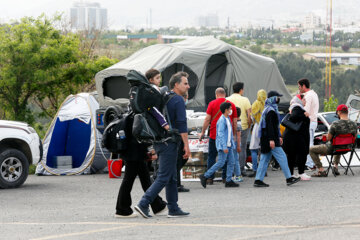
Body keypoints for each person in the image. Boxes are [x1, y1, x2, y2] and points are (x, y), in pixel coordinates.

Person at [135, 72, 190, 218]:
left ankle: (173, 207)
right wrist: (187, 145)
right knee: (164, 176)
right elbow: (182, 125)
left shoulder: (165, 97)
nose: (188, 86)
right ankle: (143, 203)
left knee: (171, 176)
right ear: (176, 84)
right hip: (169, 142)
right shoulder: (178, 100)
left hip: (160, 141)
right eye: (185, 83)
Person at [115, 116, 167, 218]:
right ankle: (122, 209)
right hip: (134, 153)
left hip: (132, 151)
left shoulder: (132, 114)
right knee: (129, 180)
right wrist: (151, 149)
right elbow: (141, 134)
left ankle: (158, 206)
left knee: (145, 179)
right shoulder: (138, 114)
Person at [253, 91, 301, 187]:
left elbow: (272, 127)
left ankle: (258, 180)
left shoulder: (268, 109)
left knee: (264, 159)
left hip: (267, 139)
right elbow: (270, 127)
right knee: (282, 157)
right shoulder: (271, 111)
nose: (279, 99)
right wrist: (272, 139)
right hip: (270, 139)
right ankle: (289, 178)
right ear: (273, 98)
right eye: (278, 97)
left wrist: (278, 136)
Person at [198, 88, 238, 184]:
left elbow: (207, 119)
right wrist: (234, 135)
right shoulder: (231, 104)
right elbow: (235, 122)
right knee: (224, 160)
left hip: (213, 134)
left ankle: (210, 179)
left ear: (216, 94)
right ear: (225, 94)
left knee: (212, 157)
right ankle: (225, 178)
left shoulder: (212, 103)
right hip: (226, 138)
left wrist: (203, 132)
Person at [310, 104, 357, 177]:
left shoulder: (335, 124)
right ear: (347, 112)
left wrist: (325, 136)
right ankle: (335, 166)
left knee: (311, 149)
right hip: (347, 148)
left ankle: (321, 170)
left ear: (339, 112)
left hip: (333, 149)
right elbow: (355, 136)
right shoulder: (354, 124)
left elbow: (328, 138)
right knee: (339, 143)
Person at [282, 94, 311, 181]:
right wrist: (305, 115)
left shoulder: (296, 108)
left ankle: (292, 174)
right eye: (304, 99)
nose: (305, 101)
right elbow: (294, 117)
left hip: (294, 137)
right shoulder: (297, 108)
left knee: (292, 155)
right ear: (299, 100)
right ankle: (300, 173)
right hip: (295, 137)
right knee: (300, 154)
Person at [227, 82, 252, 177]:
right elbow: (249, 115)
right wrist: (249, 125)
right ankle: (241, 169)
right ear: (241, 90)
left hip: (230, 127)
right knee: (242, 148)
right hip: (243, 127)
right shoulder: (245, 100)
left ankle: (232, 169)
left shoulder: (227, 99)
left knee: (231, 148)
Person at [298, 78, 319, 170]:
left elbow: (305, 111)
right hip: (313, 121)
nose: (299, 89)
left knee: (308, 143)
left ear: (303, 86)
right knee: (310, 142)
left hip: (309, 122)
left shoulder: (308, 96)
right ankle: (311, 163)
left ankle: (309, 164)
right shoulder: (314, 94)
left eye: (299, 86)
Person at [249, 89, 267, 175]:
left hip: (257, 126)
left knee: (253, 149)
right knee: (264, 150)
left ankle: (255, 170)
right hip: (266, 127)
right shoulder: (267, 103)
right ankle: (264, 170)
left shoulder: (255, 103)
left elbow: (252, 116)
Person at [177, 93, 189, 192]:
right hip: (179, 136)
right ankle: (177, 184)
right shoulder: (179, 104)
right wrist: (186, 144)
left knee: (180, 160)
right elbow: (182, 124)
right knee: (179, 160)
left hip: (177, 136)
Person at [232, 107, 243, 182]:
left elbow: (238, 136)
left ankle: (238, 175)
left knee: (235, 159)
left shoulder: (238, 123)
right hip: (236, 143)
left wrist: (238, 146)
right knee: (235, 159)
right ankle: (237, 174)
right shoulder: (238, 121)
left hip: (236, 143)